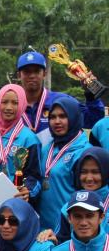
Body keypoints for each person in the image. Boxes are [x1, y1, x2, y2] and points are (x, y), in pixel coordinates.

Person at [16, 51, 104, 145]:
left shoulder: (62, 101)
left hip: (57, 154)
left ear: (44, 74)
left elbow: (93, 120)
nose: (32, 76)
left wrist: (91, 95)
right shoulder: (11, 106)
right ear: (19, 75)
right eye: (27, 71)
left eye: (36, 71)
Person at [37, 95, 91, 230]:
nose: (57, 121)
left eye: (63, 116)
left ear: (73, 117)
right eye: (52, 117)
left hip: (69, 230)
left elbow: (86, 198)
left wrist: (63, 230)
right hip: (43, 230)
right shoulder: (47, 148)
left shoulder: (84, 153)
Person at [0, 84, 42, 203]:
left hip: (15, 200)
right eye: (4, 102)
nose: (9, 107)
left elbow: (34, 175)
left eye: (15, 103)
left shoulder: (29, 138)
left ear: (22, 105)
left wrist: (28, 190)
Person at [42, 147, 109, 244]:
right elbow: (61, 242)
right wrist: (52, 238)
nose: (89, 178)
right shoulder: (68, 208)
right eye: (84, 172)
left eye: (95, 172)